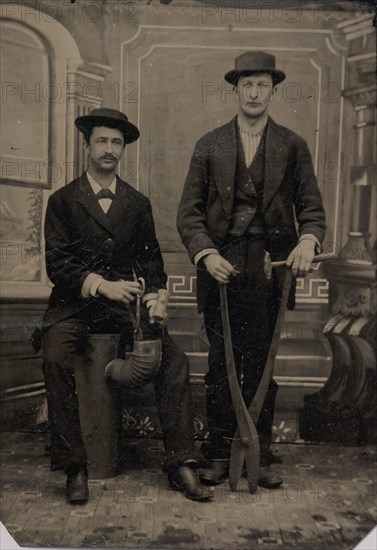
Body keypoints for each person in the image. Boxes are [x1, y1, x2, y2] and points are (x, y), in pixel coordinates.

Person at [35, 108, 213, 504]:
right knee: (54, 356)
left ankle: (180, 462)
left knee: (173, 360)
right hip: (73, 305)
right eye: (102, 140)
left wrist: (155, 296)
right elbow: (58, 264)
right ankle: (75, 466)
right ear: (87, 146)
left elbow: (150, 263)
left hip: (124, 311)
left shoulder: (137, 202)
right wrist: (101, 286)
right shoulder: (63, 201)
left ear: (123, 149)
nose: (110, 149)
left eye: (117, 142)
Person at [177, 52, 326, 489]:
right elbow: (189, 214)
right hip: (220, 268)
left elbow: (312, 208)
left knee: (261, 362)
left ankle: (255, 452)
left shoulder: (294, 144)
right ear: (236, 90)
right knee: (223, 362)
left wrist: (306, 240)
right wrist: (205, 254)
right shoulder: (210, 144)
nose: (255, 93)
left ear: (273, 90)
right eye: (247, 85)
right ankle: (221, 453)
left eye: (262, 85)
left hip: (271, 270)